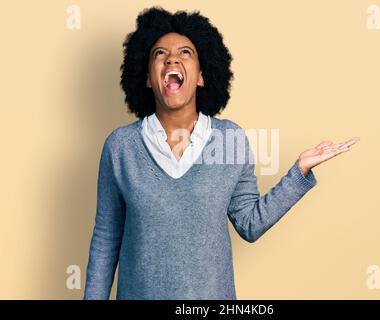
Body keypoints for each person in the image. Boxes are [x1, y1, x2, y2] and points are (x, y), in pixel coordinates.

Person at [83, 6, 359, 300]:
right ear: (148, 78)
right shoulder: (121, 147)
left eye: (185, 53)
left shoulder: (230, 139)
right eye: (159, 54)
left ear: (202, 76)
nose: (172, 58)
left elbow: (250, 224)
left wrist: (299, 171)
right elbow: (106, 239)